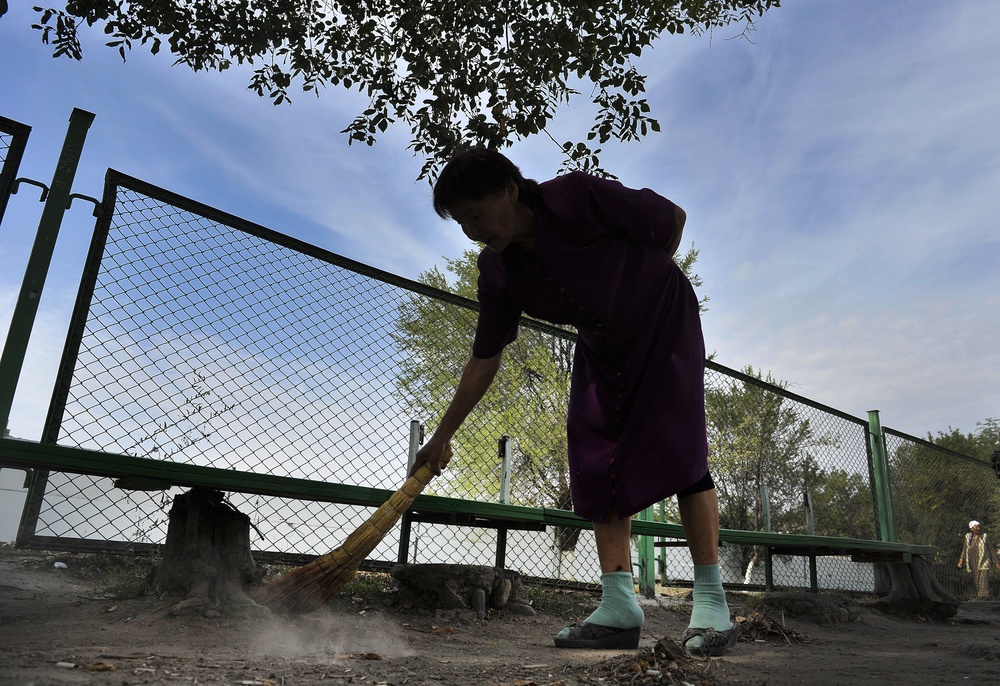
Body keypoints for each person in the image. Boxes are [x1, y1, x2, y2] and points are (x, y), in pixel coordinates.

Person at [410, 147, 737, 656]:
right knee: (593, 452)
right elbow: (485, 356)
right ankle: (619, 606)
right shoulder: (498, 270)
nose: (473, 231)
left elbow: (671, 219)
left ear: (509, 190)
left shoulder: (576, 196)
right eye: (462, 224)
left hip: (663, 320)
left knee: (680, 445)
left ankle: (712, 601)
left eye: (476, 215)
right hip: (602, 344)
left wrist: (639, 283)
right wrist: (442, 435)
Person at [957, 520, 1000, 599]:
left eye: (979, 526)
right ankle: (980, 598)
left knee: (983, 581)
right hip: (973, 562)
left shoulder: (984, 537)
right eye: (976, 527)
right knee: (977, 581)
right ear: (972, 528)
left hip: (983, 561)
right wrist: (961, 560)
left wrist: (996, 562)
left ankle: (984, 598)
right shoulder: (968, 537)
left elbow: (991, 550)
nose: (978, 528)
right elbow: (964, 549)